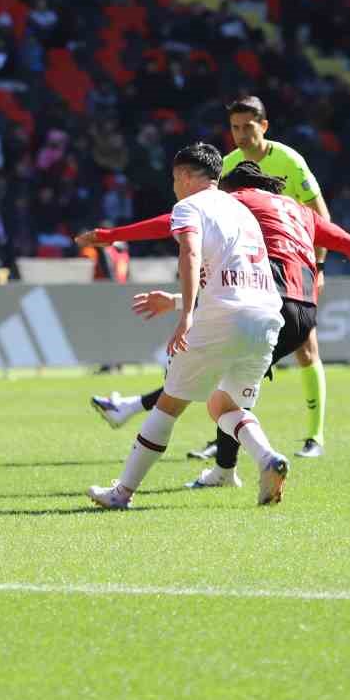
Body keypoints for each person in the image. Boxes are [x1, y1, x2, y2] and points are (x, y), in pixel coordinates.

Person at [79, 161, 350, 488]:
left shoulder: (236, 202)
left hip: (266, 303)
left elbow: (170, 224)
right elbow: (349, 243)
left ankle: (139, 440)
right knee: (226, 394)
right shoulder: (299, 211)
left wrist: (113, 236)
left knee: (198, 389)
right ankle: (229, 467)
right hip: (303, 312)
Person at [87, 144, 290, 510]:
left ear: (183, 175)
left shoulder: (189, 207)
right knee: (223, 406)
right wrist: (180, 301)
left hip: (223, 318)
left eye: (174, 179)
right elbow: (235, 279)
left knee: (168, 405)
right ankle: (267, 459)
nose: (174, 187)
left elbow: (190, 253)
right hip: (267, 317)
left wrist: (185, 317)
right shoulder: (241, 211)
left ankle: (122, 493)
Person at [220, 96, 333, 459]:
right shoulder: (228, 166)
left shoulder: (290, 161)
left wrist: (318, 267)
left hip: (293, 271)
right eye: (235, 128)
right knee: (237, 352)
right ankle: (227, 429)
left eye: (247, 127)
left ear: (263, 126)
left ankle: (315, 436)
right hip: (250, 272)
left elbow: (321, 218)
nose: (240, 135)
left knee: (306, 348)